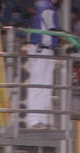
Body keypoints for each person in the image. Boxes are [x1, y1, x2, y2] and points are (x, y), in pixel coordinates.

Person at [25, 0, 58, 129]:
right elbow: (51, 27)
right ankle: (33, 120)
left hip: (48, 50)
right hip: (41, 48)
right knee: (37, 85)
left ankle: (42, 119)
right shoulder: (45, 5)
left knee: (46, 87)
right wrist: (64, 34)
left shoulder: (49, 6)